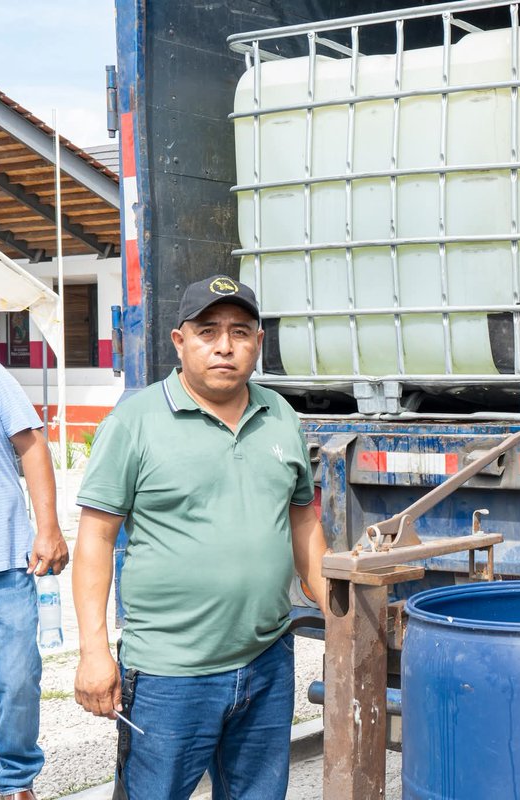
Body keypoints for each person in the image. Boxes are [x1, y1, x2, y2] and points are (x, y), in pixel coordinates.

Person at [72, 275, 330, 799]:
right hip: (170, 674)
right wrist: (93, 651)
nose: (224, 346)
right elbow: (95, 540)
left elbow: (303, 523)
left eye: (240, 332)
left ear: (259, 342)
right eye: (207, 331)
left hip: (266, 662)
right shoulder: (135, 422)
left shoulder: (279, 416)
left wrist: (340, 617)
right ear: (180, 341)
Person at [0, 352, 68, 800]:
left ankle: (17, 782)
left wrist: (49, 528)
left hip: (2, 563)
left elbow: (32, 446)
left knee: (19, 681)